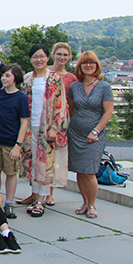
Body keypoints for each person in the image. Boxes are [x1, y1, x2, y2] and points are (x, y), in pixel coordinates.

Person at [17, 44, 68, 217]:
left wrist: (55, 127)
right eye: (35, 57)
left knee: (45, 164)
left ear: (47, 58)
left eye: (41, 56)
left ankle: (41, 200)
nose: (38, 60)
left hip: (47, 128)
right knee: (33, 162)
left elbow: (61, 104)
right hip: (30, 127)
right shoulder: (27, 79)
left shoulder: (54, 79)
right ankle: (34, 195)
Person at [67, 51, 114, 219]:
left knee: (89, 171)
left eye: (91, 63)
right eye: (84, 63)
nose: (88, 65)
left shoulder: (104, 86)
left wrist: (95, 131)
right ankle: (85, 202)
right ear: (80, 67)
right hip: (76, 134)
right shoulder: (75, 86)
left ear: (97, 65)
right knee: (80, 171)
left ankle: (93, 204)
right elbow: (72, 109)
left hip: (95, 135)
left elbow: (108, 112)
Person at [0, 64, 29, 220]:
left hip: (11, 141)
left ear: (15, 78)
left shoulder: (22, 98)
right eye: (3, 75)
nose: (4, 78)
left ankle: (9, 202)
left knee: (11, 172)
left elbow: (24, 122)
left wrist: (18, 145)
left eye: (8, 75)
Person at [47, 42, 77, 205]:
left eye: (65, 55)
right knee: (38, 156)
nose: (62, 57)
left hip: (60, 120)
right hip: (44, 117)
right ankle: (35, 193)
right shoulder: (44, 71)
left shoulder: (71, 78)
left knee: (55, 157)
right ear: (53, 54)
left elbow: (71, 104)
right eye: (59, 54)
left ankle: (50, 193)